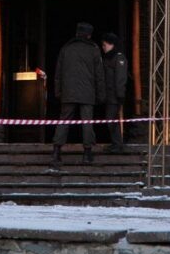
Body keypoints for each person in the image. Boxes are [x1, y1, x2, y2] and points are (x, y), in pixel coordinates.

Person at [51, 22, 105, 167]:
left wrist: (58, 92)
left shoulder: (66, 49)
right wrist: (101, 95)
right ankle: (87, 154)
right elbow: (99, 75)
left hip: (68, 92)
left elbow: (58, 73)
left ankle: (56, 152)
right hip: (88, 93)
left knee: (64, 121)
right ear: (89, 35)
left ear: (76, 33)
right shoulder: (93, 50)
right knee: (87, 123)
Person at [100, 32, 128, 153]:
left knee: (111, 119)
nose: (103, 47)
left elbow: (120, 78)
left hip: (115, 96)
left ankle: (117, 144)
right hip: (109, 95)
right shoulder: (107, 58)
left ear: (111, 44)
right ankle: (116, 143)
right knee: (111, 119)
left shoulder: (118, 58)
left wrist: (120, 95)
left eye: (105, 45)